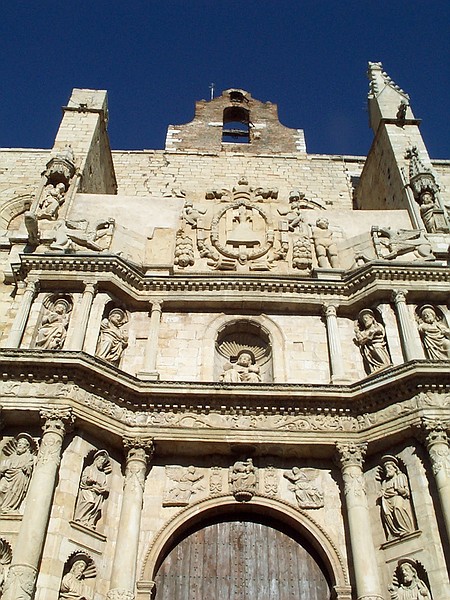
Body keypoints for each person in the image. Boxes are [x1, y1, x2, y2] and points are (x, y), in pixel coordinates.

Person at [380, 456, 414, 540]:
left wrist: (402, 491)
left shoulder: (401, 477)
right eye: (386, 469)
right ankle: (395, 533)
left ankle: (406, 529)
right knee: (387, 514)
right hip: (387, 500)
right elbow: (383, 491)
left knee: (397, 508)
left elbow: (407, 492)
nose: (387, 470)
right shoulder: (384, 482)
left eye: (389, 468)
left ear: (395, 468)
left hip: (397, 497)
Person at [74, 450, 110, 529]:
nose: (102, 463)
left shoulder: (102, 474)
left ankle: (90, 521)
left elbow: (105, 486)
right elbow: (84, 480)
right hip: (88, 490)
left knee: (97, 508)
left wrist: (103, 489)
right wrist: (89, 481)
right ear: (96, 460)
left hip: (98, 495)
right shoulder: (89, 469)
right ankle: (79, 518)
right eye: (101, 461)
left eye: (103, 462)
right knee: (89, 502)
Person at [0, 434, 35, 513]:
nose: (19, 445)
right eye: (19, 443)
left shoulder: (29, 456)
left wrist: (26, 468)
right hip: (8, 475)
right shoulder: (12, 456)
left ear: (26, 447)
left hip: (19, 478)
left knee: (14, 491)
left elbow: (29, 467)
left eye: (22, 443)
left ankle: (9, 507)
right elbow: (5, 464)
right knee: (1, 488)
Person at [354, 309, 392, 374]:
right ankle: (375, 368)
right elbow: (361, 341)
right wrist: (367, 338)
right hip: (368, 349)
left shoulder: (377, 326)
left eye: (366, 318)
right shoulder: (363, 332)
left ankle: (384, 364)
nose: (365, 320)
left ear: (371, 318)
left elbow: (380, 331)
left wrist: (373, 333)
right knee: (369, 354)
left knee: (377, 349)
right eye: (363, 319)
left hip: (377, 345)